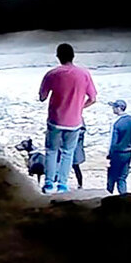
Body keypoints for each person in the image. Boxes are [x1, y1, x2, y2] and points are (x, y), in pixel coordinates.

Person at [38, 43, 97, 193]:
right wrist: (79, 107)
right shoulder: (84, 74)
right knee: (67, 153)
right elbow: (93, 98)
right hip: (74, 122)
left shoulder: (52, 74)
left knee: (51, 151)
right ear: (73, 56)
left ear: (58, 56)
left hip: (55, 121)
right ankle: (63, 185)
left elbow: (42, 97)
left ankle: (49, 183)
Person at [105, 100, 131, 195]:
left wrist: (109, 155)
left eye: (114, 107)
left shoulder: (117, 123)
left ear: (119, 108)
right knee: (122, 177)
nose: (113, 109)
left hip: (117, 153)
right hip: (128, 152)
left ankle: (109, 195)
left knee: (112, 176)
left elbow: (113, 142)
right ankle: (123, 195)